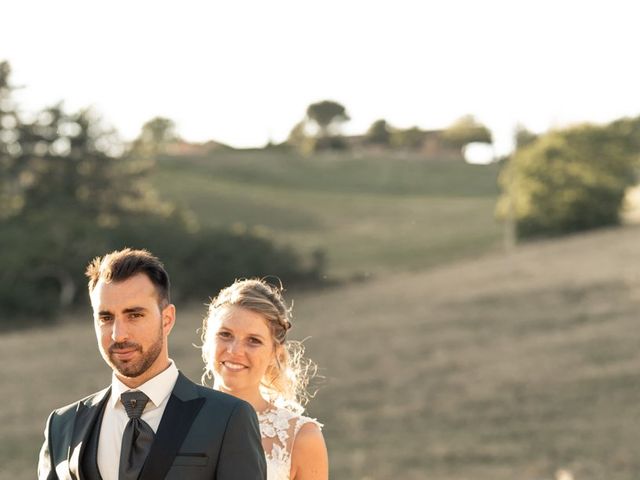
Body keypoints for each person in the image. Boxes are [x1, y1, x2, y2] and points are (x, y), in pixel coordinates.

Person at [38, 248, 266, 480]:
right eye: (106, 318)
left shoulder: (227, 417)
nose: (119, 335)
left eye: (134, 315)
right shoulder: (62, 424)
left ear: (167, 320)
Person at [201, 279, 328, 480]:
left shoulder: (301, 438)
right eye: (225, 334)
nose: (234, 351)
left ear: (274, 353)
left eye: (253, 341)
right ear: (208, 340)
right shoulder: (169, 417)